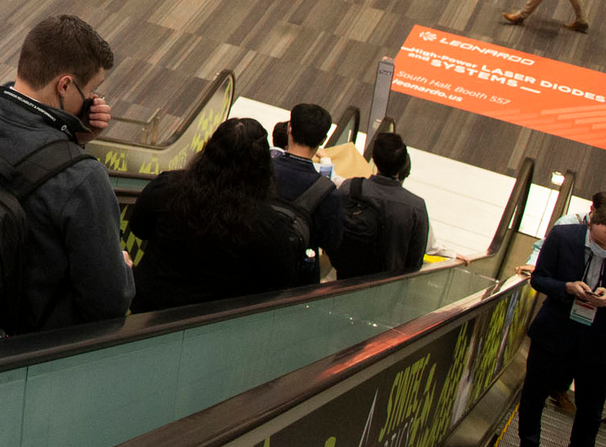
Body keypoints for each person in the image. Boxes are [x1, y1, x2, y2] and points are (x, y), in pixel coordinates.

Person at [0, 16, 134, 331]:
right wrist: (123, 269)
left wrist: (70, 138)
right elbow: (108, 303)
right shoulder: (83, 177)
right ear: (66, 85)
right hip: (22, 341)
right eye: (93, 90)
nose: (94, 100)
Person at [513, 207, 606, 447]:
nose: (604, 249)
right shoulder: (563, 237)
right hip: (553, 332)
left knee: (591, 411)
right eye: (598, 243)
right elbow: (539, 279)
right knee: (533, 393)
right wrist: (567, 287)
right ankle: (527, 445)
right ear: (589, 227)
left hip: (599, 344)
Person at [128, 118, 304, 313]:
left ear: (209, 151)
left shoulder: (168, 186)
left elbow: (138, 227)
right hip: (213, 327)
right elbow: (280, 281)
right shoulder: (267, 223)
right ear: (262, 166)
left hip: (146, 314)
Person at [330, 133, 430, 279]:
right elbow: (415, 263)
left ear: (374, 159)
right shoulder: (416, 207)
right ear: (403, 164)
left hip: (346, 281)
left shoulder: (350, 188)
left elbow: (332, 233)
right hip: (388, 289)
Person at [272, 102, 343, 273]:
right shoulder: (328, 192)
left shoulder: (258, 168)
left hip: (247, 265)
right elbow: (332, 243)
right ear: (323, 140)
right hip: (295, 276)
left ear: (289, 128)